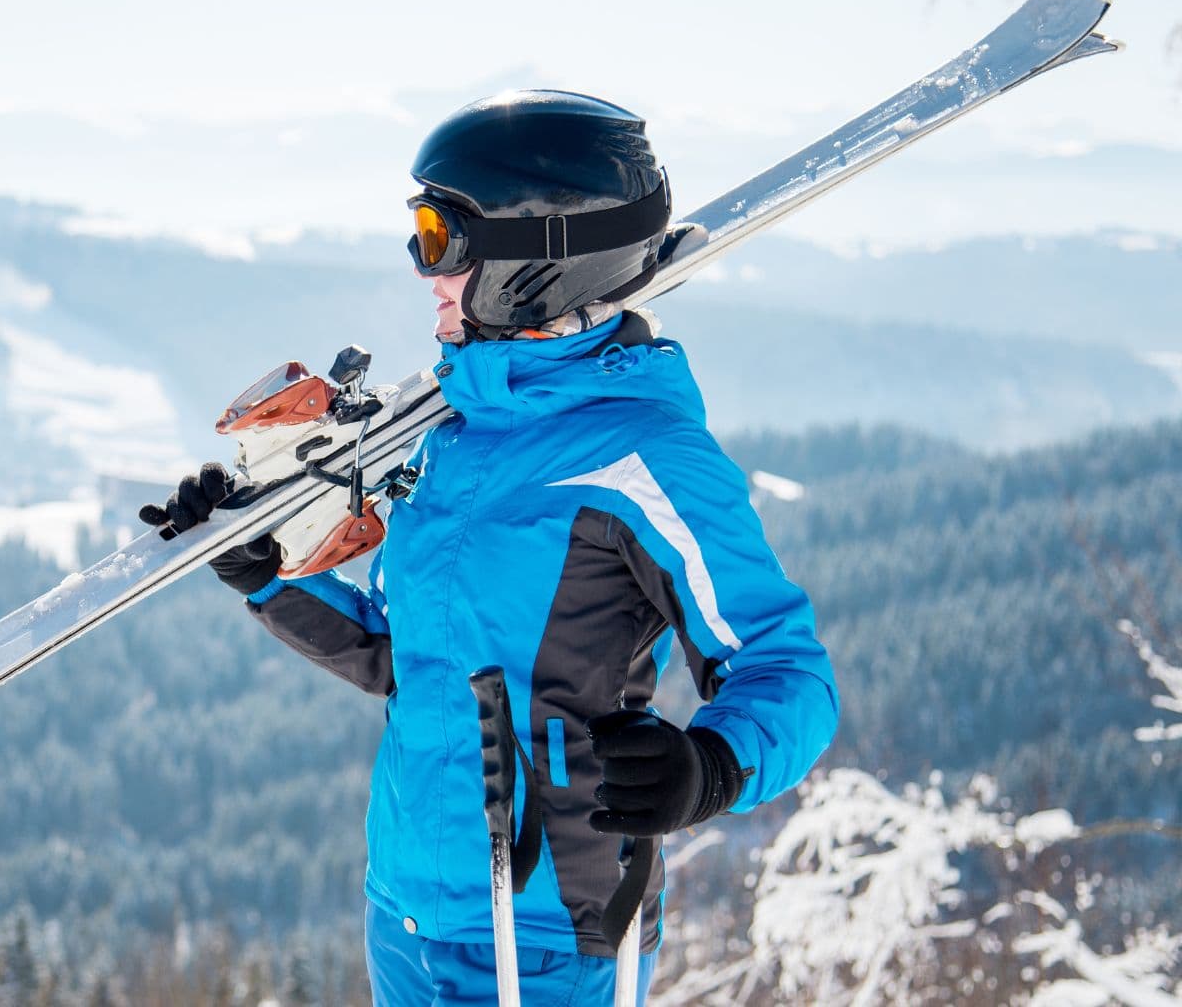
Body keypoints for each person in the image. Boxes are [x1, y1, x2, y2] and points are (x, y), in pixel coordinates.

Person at [141, 90, 839, 1006]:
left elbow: (789, 671)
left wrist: (708, 769)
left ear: (535, 260)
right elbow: (408, 655)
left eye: (443, 240)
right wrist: (268, 580)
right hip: (407, 910)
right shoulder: (457, 434)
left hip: (551, 935)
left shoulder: (644, 460)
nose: (425, 272)